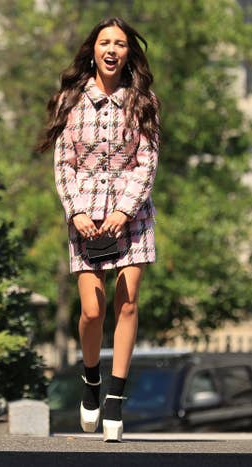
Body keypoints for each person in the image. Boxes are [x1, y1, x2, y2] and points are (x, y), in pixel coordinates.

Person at [35, 17, 160, 442]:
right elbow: (63, 163)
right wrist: (75, 212)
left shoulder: (143, 100)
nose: (112, 49)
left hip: (132, 213)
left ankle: (115, 400)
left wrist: (125, 211)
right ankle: (92, 379)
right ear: (93, 50)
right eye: (105, 42)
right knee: (93, 309)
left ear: (128, 53)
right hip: (85, 217)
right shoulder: (70, 100)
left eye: (120, 43)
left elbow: (147, 161)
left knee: (126, 304)